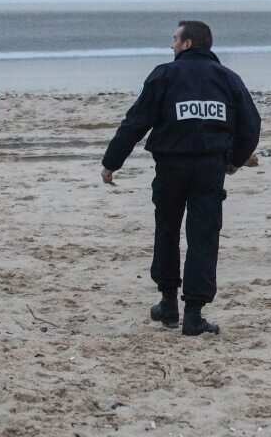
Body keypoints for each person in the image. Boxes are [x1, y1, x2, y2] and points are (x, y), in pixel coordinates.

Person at [101, 20, 260, 336]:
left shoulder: (165, 74)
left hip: (173, 165)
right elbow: (251, 126)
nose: (171, 45)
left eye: (175, 39)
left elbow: (136, 121)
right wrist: (234, 161)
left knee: (168, 231)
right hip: (209, 168)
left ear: (188, 44)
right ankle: (190, 312)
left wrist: (111, 162)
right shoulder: (228, 79)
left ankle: (170, 301)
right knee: (204, 237)